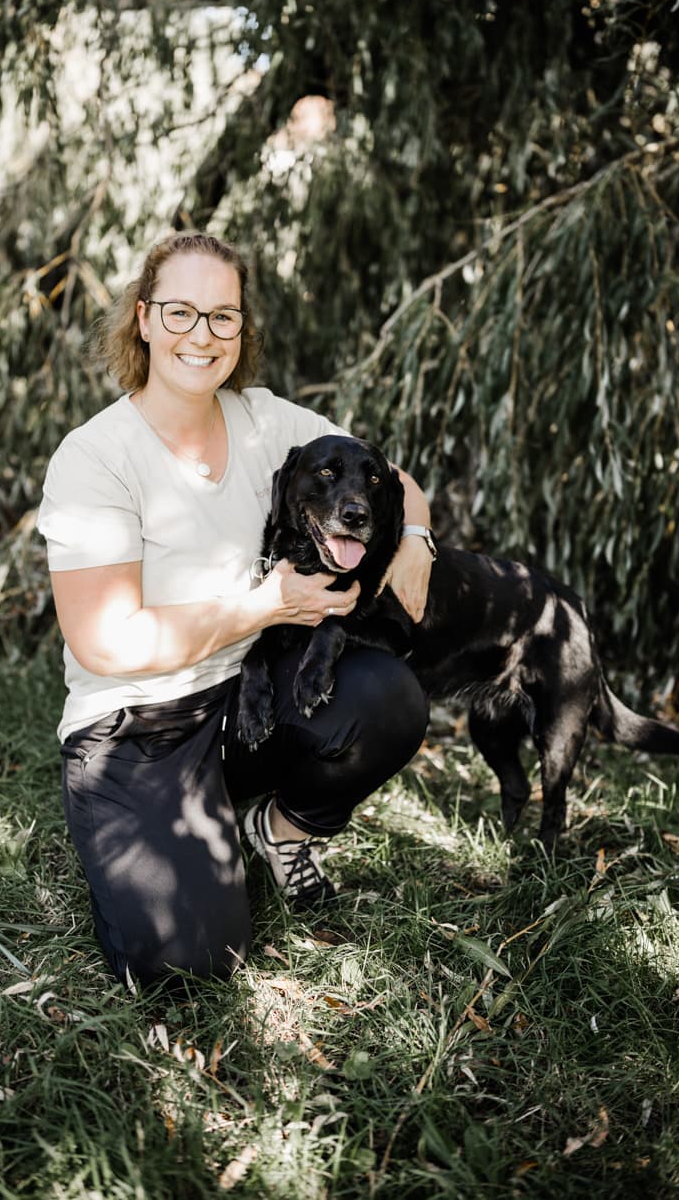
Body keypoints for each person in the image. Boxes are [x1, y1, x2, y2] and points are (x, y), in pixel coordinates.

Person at [37, 231, 435, 988]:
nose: (203, 335)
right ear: (145, 319)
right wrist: (262, 604)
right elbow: (105, 641)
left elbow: (387, 478)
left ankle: (274, 829)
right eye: (182, 312)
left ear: (242, 330)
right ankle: (162, 836)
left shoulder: (264, 420)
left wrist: (414, 534)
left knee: (386, 698)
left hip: (244, 700)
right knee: (189, 963)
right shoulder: (95, 457)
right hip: (138, 725)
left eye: (224, 316)